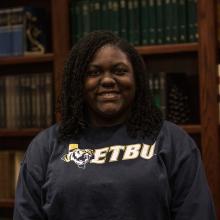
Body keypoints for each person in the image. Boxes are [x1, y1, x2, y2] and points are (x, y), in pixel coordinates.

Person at [13, 31, 216, 220]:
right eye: (94, 72)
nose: (108, 80)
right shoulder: (45, 146)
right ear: (78, 82)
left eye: (119, 71)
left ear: (136, 80)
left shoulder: (173, 141)